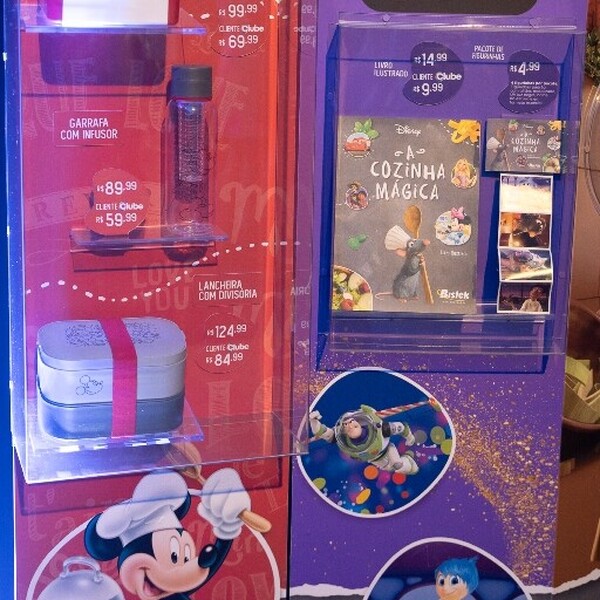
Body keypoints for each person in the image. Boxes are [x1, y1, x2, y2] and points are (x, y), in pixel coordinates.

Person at [309, 404, 419, 475]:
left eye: (351, 422)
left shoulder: (381, 429)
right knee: (390, 469)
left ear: (358, 422)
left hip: (387, 449)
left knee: (397, 465)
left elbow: (401, 427)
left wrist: (410, 437)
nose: (349, 425)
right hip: (375, 460)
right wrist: (313, 421)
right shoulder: (342, 440)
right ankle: (406, 460)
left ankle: (409, 464)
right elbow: (322, 432)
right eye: (346, 425)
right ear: (344, 431)